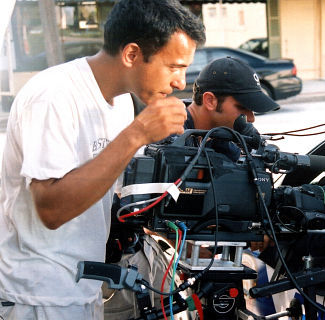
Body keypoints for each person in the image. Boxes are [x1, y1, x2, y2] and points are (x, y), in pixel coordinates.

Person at [0, 0, 205, 319]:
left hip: (82, 286)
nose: (180, 82)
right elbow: (51, 210)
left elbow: (110, 192)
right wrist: (136, 134)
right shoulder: (54, 95)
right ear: (132, 55)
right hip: (38, 293)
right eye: (174, 66)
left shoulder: (122, 102)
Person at [104, 57, 280, 319]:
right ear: (210, 100)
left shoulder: (227, 144)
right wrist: (185, 247)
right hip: (135, 258)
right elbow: (139, 208)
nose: (251, 119)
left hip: (179, 263)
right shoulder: (162, 136)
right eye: (243, 109)